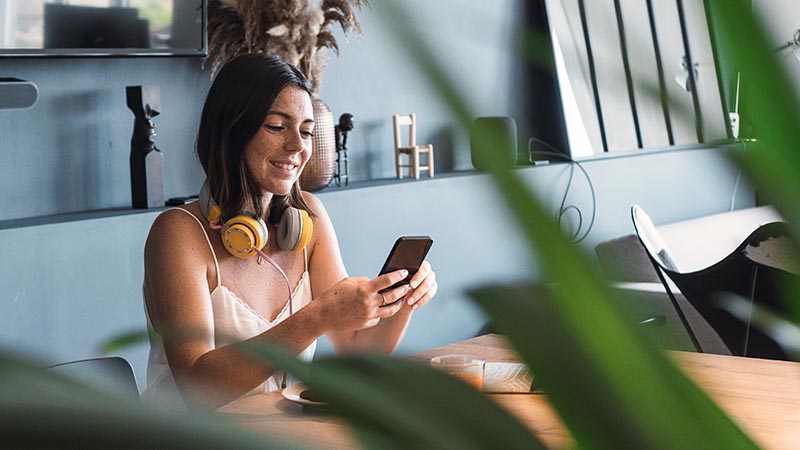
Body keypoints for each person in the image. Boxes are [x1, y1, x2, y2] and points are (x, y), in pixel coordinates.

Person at [141, 54, 437, 409]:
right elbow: (197, 387)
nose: (297, 146)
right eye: (277, 127)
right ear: (232, 131)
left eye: (307, 131)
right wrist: (317, 317)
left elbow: (358, 348)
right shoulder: (177, 232)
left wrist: (401, 299)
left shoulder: (309, 217)